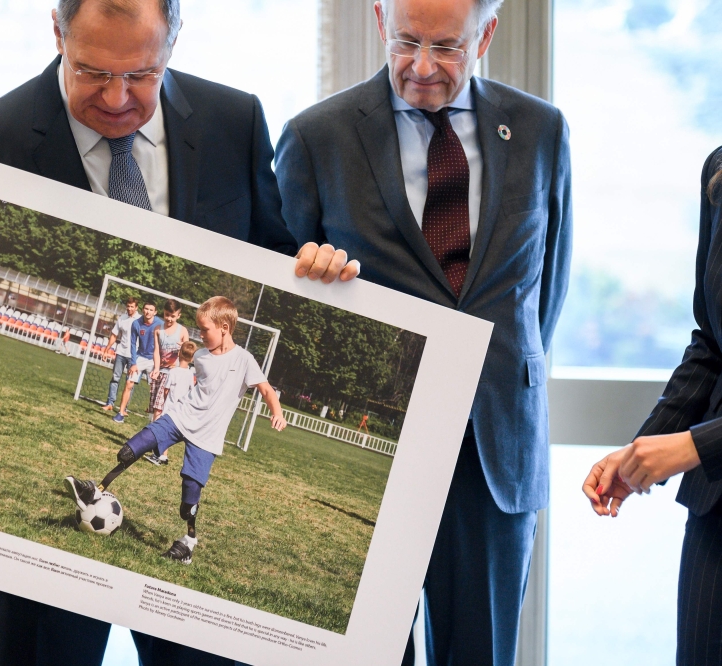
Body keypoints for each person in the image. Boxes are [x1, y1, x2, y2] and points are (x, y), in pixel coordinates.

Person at [0, 2, 359, 664]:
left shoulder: (234, 122)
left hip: (195, 617)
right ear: (57, 32)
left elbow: (273, 258)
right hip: (36, 578)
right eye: (93, 72)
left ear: (174, 42)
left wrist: (317, 272)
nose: (118, 98)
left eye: (142, 74)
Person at [274, 0, 572, 663]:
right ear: (381, 21)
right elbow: (285, 288)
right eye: (407, 41)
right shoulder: (316, 136)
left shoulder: (541, 131)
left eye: (448, 47)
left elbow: (544, 294)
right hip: (368, 448)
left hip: (494, 452)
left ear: (486, 35)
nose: (423, 67)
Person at [583, 148, 722, 665]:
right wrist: (641, 451)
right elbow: (712, 343)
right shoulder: (718, 169)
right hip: (716, 512)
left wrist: (695, 445)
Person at [66, 297, 286, 564]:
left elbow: (266, 390)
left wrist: (277, 412)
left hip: (207, 436)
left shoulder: (244, 359)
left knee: (189, 500)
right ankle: (95, 490)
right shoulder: (201, 357)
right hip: (180, 417)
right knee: (130, 450)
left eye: (205, 330)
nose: (200, 335)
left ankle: (188, 542)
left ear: (225, 328)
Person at [147, 339, 198, 466]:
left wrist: (166, 400)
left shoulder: (173, 372)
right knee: (169, 433)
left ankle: (158, 455)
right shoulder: (190, 374)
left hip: (169, 406)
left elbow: (166, 390)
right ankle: (164, 455)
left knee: (162, 431)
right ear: (192, 358)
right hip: (181, 409)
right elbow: (191, 390)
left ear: (179, 353)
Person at [113, 301, 162, 423]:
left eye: (151, 310)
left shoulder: (160, 324)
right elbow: (133, 344)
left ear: (155, 312)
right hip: (140, 357)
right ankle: (121, 413)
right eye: (146, 309)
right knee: (129, 383)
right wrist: (134, 363)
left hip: (154, 359)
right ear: (142, 309)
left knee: (156, 390)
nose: (148, 312)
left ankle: (154, 420)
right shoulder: (136, 323)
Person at [101, 298, 140, 412]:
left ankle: (124, 408)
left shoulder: (140, 320)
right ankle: (110, 403)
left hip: (134, 356)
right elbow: (114, 335)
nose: (129, 308)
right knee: (115, 378)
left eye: (132, 306)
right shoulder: (122, 318)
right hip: (121, 353)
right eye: (128, 306)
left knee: (130, 382)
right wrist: (106, 350)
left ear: (136, 308)